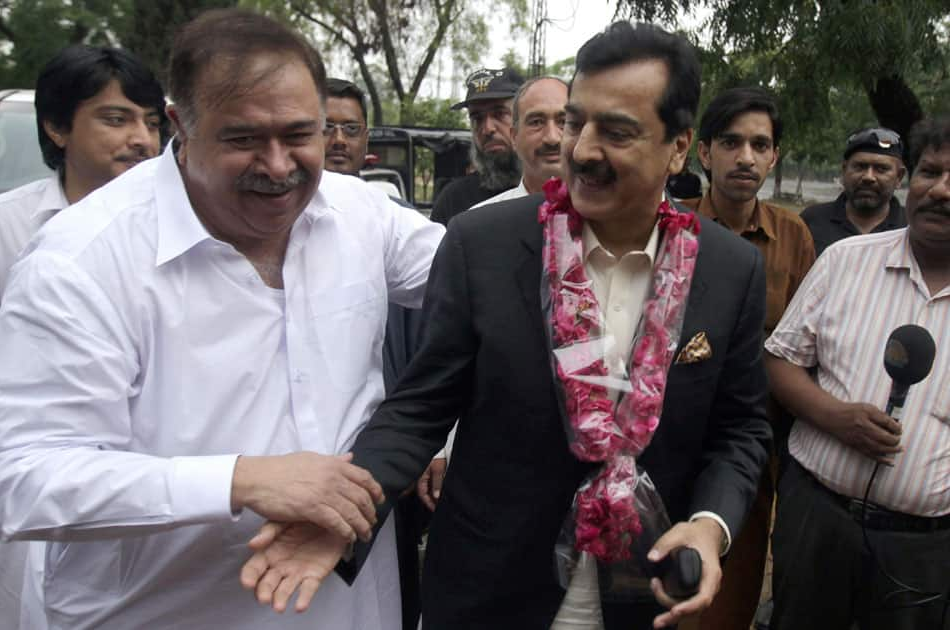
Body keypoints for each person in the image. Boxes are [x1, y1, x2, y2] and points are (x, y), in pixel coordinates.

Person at [242, 21, 771, 630]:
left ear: (678, 147)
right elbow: (420, 408)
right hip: (490, 591)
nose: (582, 150)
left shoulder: (730, 270)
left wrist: (709, 527)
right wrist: (344, 513)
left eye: (617, 132)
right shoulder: (483, 245)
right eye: (577, 122)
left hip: (642, 597)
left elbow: (740, 429)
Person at [0, 9, 443, 629]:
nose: (277, 166)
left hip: (347, 608)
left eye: (300, 135)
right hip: (159, 613)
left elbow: (479, 288)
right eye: (243, 139)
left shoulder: (361, 214)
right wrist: (238, 481)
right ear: (180, 126)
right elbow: (15, 481)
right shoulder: (83, 260)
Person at [0, 44, 165, 629]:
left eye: (152, 122)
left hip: (149, 501)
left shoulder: (184, 231)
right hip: (32, 504)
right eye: (116, 119)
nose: (142, 140)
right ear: (57, 126)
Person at [764, 115, 950, 630]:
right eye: (931, 172)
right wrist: (835, 418)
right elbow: (778, 360)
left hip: (925, 550)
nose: (941, 190)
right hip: (816, 519)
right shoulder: (844, 261)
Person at [679, 87, 815, 630]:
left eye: (760, 145)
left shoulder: (792, 236)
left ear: (775, 156)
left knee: (727, 602)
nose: (746, 157)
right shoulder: (672, 227)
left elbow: (805, 345)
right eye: (731, 142)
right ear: (703, 153)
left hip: (750, 452)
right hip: (668, 442)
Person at [321, 75, 431, 630]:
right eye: (322, 126)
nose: (335, 139)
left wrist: (414, 448)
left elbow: (441, 338)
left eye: (349, 128)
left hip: (384, 470)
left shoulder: (389, 222)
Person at [429, 67, 523, 225]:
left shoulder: (554, 191)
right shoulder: (453, 200)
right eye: (477, 118)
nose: (487, 129)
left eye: (499, 114)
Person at [801, 127, 907, 255]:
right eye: (860, 167)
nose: (869, 177)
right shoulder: (811, 221)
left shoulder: (912, 229)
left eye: (881, 169)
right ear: (844, 170)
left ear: (899, 177)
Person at [471, 76, 568, 208]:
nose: (552, 138)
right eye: (536, 122)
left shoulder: (604, 217)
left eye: (564, 122)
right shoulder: (479, 222)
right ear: (514, 137)